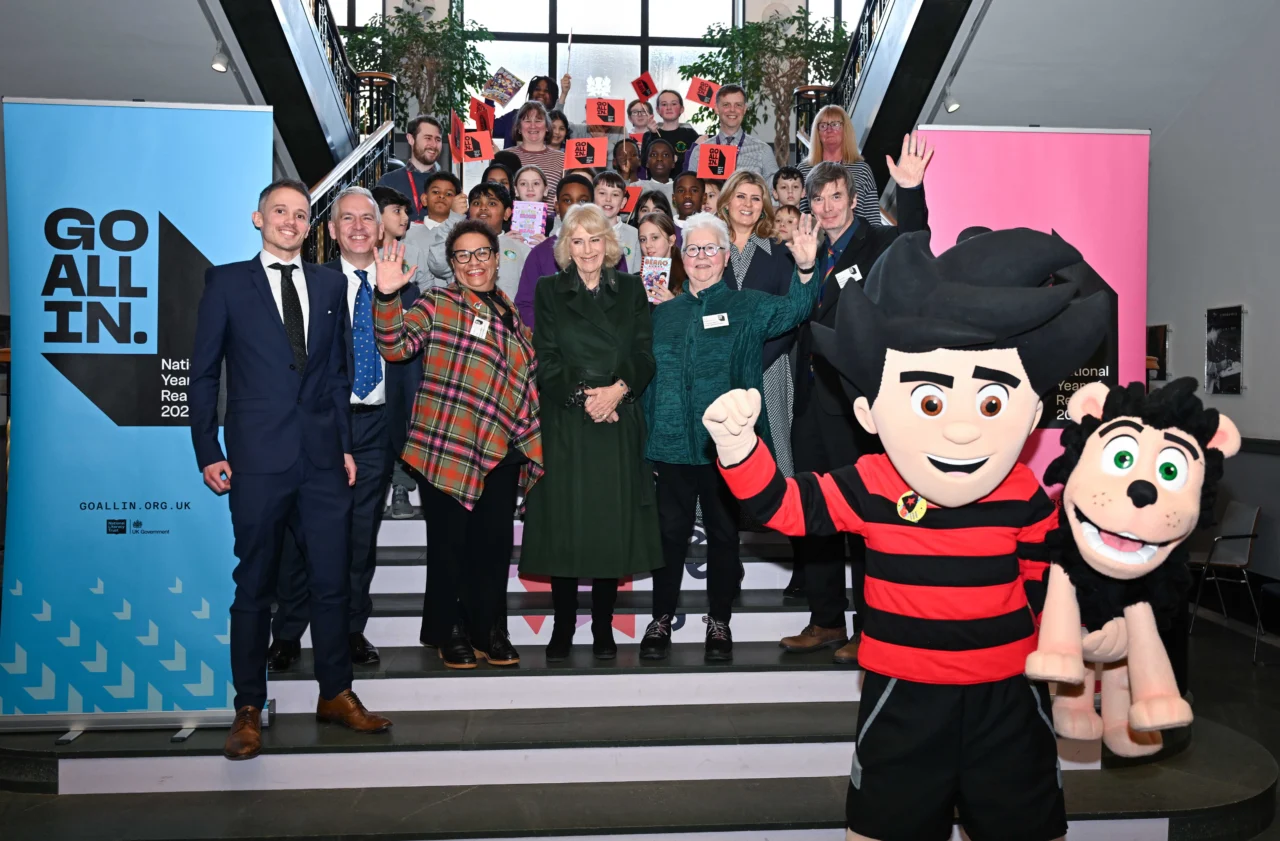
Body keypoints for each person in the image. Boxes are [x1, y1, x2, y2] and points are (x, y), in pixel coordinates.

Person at [704, 226, 1109, 841]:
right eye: (930, 401)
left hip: (1007, 698)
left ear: (1029, 411)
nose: (963, 431)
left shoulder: (1024, 493)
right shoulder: (871, 482)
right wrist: (740, 449)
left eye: (991, 404)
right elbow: (786, 509)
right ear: (869, 412)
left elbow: (1042, 584)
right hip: (903, 696)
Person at [190, 178, 392, 760]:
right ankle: (248, 707)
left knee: (331, 580)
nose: (290, 221)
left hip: (323, 459)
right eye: (279, 211)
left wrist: (346, 445)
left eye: (301, 214)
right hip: (255, 459)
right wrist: (208, 449)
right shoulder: (227, 282)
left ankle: (336, 693)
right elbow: (204, 375)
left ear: (311, 226)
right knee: (255, 585)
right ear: (259, 219)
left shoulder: (331, 283)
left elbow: (334, 375)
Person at [780, 135, 933, 665]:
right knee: (816, 513)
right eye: (817, 200)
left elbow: (917, 241)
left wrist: (910, 189)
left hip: (858, 406)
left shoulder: (879, 244)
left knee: (865, 518)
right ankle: (825, 621)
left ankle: (870, 627)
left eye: (835, 197)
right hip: (808, 402)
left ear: (851, 198)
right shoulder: (802, 249)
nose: (826, 208)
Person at [640, 212, 819, 662]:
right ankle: (660, 619)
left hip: (728, 446)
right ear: (683, 256)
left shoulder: (749, 306)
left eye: (710, 249)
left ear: (724, 257)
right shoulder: (664, 312)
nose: (701, 257)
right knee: (669, 536)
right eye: (693, 249)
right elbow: (647, 377)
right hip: (670, 443)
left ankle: (719, 621)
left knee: (723, 534)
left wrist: (805, 269)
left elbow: (798, 309)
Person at [374, 222, 544, 667]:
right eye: (463, 256)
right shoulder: (438, 302)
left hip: (501, 449)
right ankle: (448, 629)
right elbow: (395, 346)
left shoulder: (508, 309)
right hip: (446, 444)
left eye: (482, 253)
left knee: (493, 548)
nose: (475, 263)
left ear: (496, 257)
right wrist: (388, 296)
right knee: (449, 547)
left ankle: (489, 628)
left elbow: (522, 376)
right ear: (452, 265)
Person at [520, 204, 662, 661]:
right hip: (568, 419)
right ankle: (562, 626)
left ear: (609, 244)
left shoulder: (634, 289)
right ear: (565, 246)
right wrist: (587, 397)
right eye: (577, 241)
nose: (586, 250)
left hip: (618, 418)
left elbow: (644, 354)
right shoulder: (548, 289)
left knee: (607, 526)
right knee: (566, 524)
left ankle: (603, 626)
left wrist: (616, 391)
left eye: (595, 239)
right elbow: (545, 357)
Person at [716, 171, 798, 484]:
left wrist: (753, 361)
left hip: (768, 366)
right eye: (741, 196)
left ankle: (777, 513)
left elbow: (790, 315)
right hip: (718, 366)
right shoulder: (710, 247)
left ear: (764, 206)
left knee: (770, 444)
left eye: (755, 198)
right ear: (726, 202)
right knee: (721, 444)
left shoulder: (780, 253)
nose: (748, 204)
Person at [372, 186, 424, 521]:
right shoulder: (350, 269)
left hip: (399, 361)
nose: (404, 217)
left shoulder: (406, 273)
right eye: (396, 211)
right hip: (365, 369)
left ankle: (402, 484)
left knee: (401, 415)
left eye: (406, 211)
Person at [515, 174, 623, 328]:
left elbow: (622, 300)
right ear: (557, 206)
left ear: (593, 205)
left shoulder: (608, 247)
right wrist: (550, 333)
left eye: (583, 201)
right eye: (567, 200)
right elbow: (525, 305)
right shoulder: (539, 253)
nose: (575, 207)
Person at [415, 182, 530, 301]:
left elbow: (529, 296)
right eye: (476, 203)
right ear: (469, 211)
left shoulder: (521, 249)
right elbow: (438, 266)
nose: (483, 207)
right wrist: (454, 217)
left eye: (492, 203)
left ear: (507, 213)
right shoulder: (458, 242)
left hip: (505, 316)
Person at [797, 104, 880, 225]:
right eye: (823, 126)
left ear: (845, 130)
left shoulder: (862, 169)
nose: (829, 130)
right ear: (817, 132)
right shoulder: (804, 169)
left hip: (857, 240)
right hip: (814, 239)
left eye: (835, 124)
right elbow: (796, 214)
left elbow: (873, 218)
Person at [686, 84, 778, 180]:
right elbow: (693, 189)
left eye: (738, 105)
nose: (732, 110)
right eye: (726, 105)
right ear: (717, 109)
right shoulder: (699, 152)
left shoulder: (763, 150)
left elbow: (773, 192)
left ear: (744, 109)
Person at [377, 115, 443, 223]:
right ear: (411, 139)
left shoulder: (450, 184)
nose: (433, 145)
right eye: (428, 138)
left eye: (438, 139)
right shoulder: (388, 182)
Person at [512, 101, 565, 206]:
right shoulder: (506, 157)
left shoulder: (563, 159)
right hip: (513, 221)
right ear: (518, 127)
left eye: (538, 120)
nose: (533, 126)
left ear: (547, 127)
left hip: (551, 221)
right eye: (527, 121)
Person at [493, 74, 568, 146]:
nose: (541, 93)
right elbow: (487, 129)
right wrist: (490, 96)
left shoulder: (554, 122)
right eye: (537, 89)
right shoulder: (513, 116)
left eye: (546, 91)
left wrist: (564, 93)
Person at [641, 90, 699, 177]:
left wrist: (677, 159)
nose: (669, 107)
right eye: (664, 104)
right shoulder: (649, 135)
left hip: (682, 185)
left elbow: (696, 161)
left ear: (681, 109)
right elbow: (644, 162)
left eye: (674, 104)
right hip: (656, 187)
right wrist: (653, 135)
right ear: (658, 110)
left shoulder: (690, 134)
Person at [593, 170, 640, 270]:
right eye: (602, 193)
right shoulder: (584, 231)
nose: (608, 199)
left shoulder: (634, 234)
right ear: (592, 198)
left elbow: (637, 273)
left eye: (615, 195)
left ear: (623, 202)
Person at [637, 211, 687, 302]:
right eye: (643, 239)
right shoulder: (634, 281)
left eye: (655, 237)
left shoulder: (688, 279)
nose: (648, 245)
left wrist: (673, 303)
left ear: (671, 240)